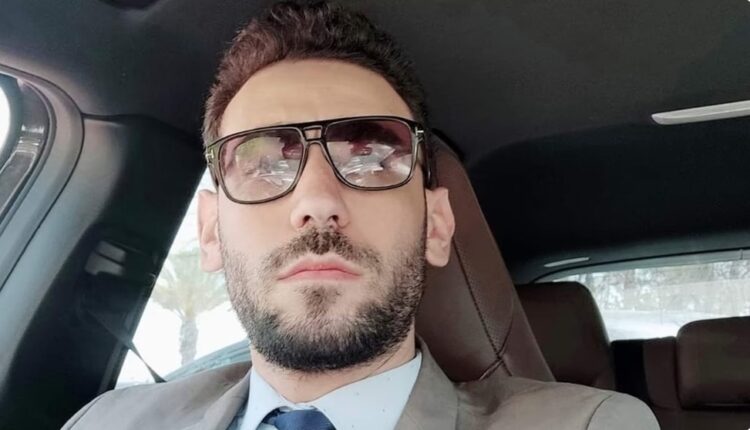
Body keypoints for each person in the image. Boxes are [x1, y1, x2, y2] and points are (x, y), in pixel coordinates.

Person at [63, 2, 660, 429]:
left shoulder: (594, 424)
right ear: (211, 231)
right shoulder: (106, 422)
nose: (317, 202)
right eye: (265, 165)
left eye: (373, 160)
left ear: (436, 225)